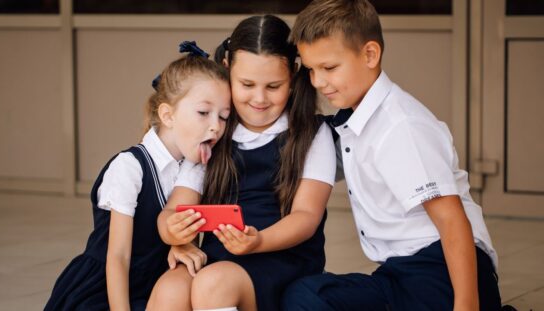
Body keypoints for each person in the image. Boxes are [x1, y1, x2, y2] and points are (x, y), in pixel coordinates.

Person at [281, 0, 503, 310]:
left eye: (329, 68)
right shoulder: (353, 120)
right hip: (398, 275)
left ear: (370, 54)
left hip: (441, 272)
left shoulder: (401, 126)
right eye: (311, 70)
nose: (318, 82)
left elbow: (453, 221)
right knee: (307, 295)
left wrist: (466, 305)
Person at [147, 15, 337, 311]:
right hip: (218, 256)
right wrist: (174, 233)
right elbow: (174, 209)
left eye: (273, 86)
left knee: (213, 283)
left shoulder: (311, 133)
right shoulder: (214, 129)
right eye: (246, 84)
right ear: (227, 70)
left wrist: (258, 241)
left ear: (294, 74)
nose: (259, 98)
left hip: (281, 258)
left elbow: (306, 217)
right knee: (170, 287)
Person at [44, 42, 231, 311]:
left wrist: (181, 244)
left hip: (153, 283)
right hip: (106, 287)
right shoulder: (129, 167)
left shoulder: (196, 165)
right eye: (203, 113)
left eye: (224, 117)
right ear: (168, 115)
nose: (215, 126)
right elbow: (118, 256)